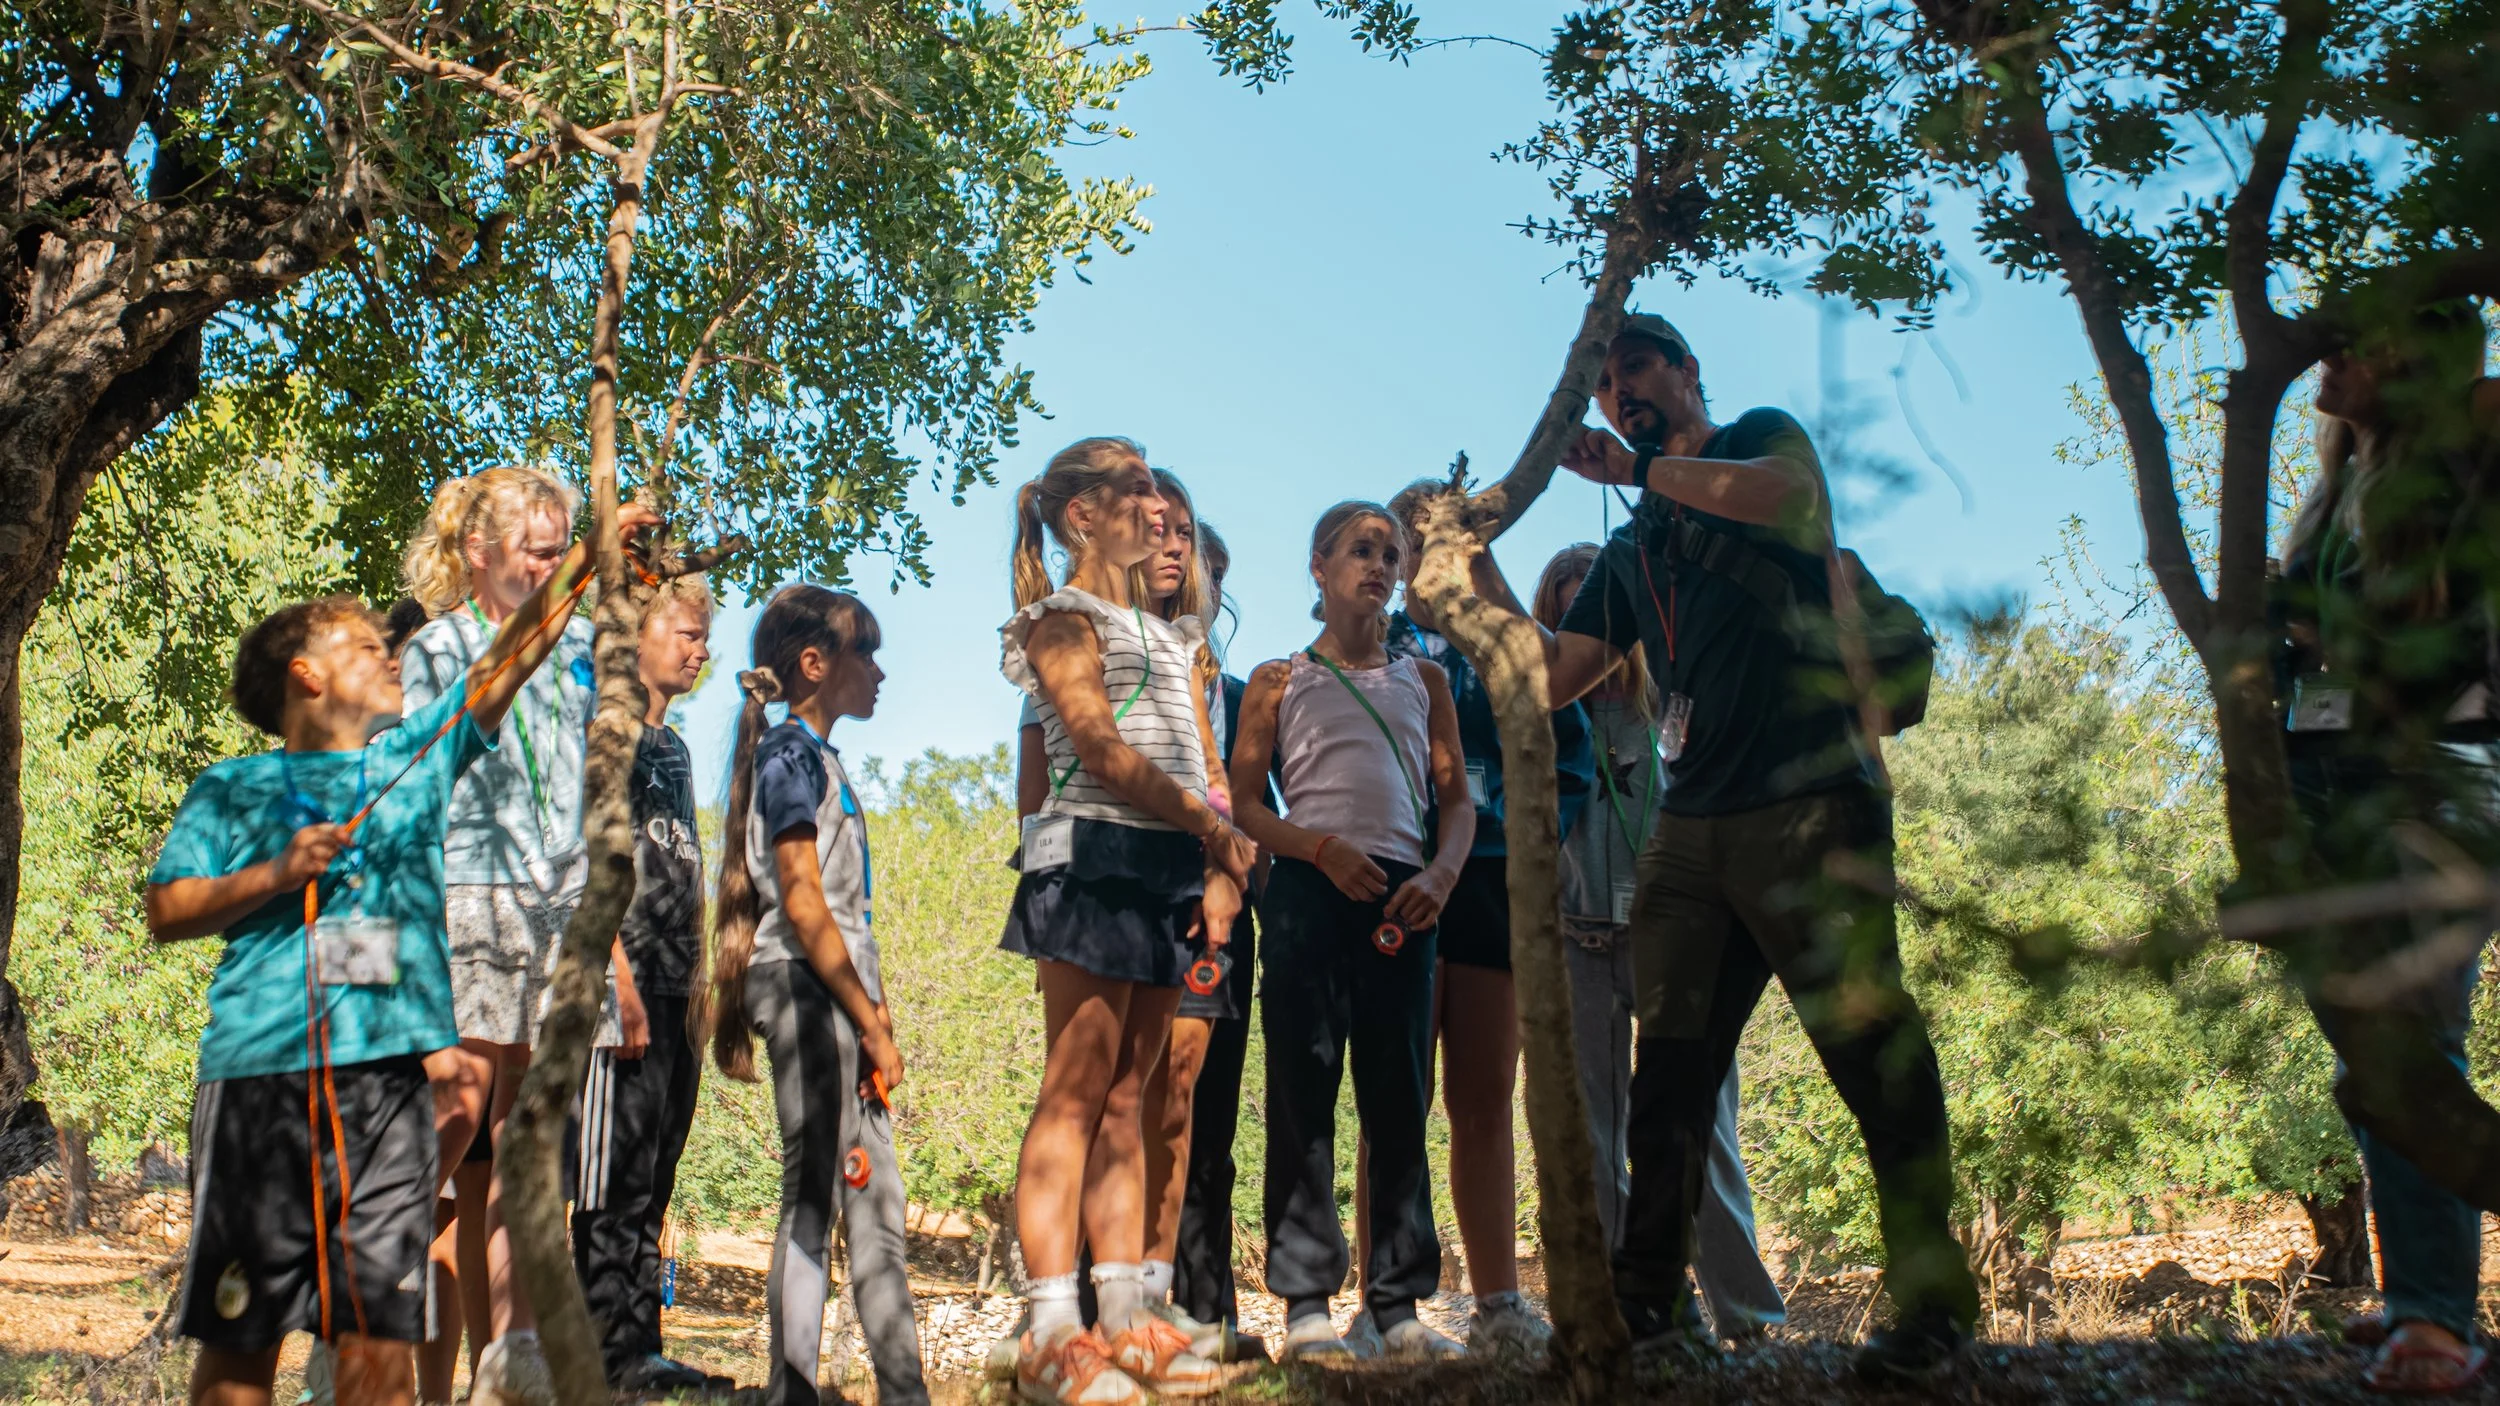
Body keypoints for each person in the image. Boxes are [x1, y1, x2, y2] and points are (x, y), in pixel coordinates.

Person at [1509, 312, 1978, 1382]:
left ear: (1683, 368)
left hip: (1810, 802)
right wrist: (1467, 574)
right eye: (1602, 378)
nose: (1619, 385)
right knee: (1665, 1078)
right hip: (1692, 830)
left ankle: (1934, 1303)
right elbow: (1548, 674)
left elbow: (1787, 500)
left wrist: (1643, 465)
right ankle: (1645, 1307)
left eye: (1635, 364)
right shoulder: (1631, 547)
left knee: (1870, 1055)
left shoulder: (1758, 438)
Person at [147, 507, 637, 1406]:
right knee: (241, 1331)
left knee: (376, 1333)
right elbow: (167, 908)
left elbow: (506, 661)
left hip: (389, 1089)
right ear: (306, 675)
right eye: (362, 643)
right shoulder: (231, 788)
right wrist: (275, 871)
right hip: (263, 1082)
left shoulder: (413, 761)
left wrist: (587, 559)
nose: (387, 649)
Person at [2275, 306, 2500, 1396]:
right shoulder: (2331, 491)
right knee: (2370, 1047)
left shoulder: (2466, 447)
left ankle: (2440, 1323)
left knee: (2415, 1039)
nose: (2324, 352)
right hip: (2324, 777)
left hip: (2439, 773)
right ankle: (2417, 1295)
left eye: (2350, 339)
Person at [998, 438, 1252, 1404]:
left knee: (1131, 1097)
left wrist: (1216, 852)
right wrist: (1210, 829)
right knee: (1076, 1083)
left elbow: (1209, 771)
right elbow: (1098, 750)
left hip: (1169, 872)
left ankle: (1125, 1317)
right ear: (1083, 517)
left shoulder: (1182, 642)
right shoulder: (1059, 622)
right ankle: (1052, 1328)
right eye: (1139, 488)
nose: (1159, 504)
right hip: (1092, 860)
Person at [1229, 501, 1475, 1362]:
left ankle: (1399, 1308)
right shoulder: (1277, 678)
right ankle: (1304, 1309)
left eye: (1391, 554)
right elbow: (1249, 803)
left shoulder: (1425, 681)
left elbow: (1456, 802)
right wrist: (1319, 850)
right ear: (1319, 565)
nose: (1379, 565)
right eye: (1360, 550)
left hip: (1404, 898)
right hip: (1307, 885)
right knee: (1303, 1090)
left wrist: (1440, 877)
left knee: (1400, 1093)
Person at [1361, 481, 1594, 1357]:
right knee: (1397, 1097)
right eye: (1409, 538)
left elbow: (1566, 756)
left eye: (1443, 535)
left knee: (1485, 1098)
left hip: (1496, 880)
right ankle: (1388, 1306)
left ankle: (1499, 1304)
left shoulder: (1506, 637)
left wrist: (1539, 840)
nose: (1424, 553)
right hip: (1397, 878)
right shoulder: (1373, 640)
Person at [1532, 543, 1785, 1343]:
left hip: (1673, 941)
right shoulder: (1539, 722)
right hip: (1577, 943)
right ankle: (1631, 1317)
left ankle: (1749, 1320)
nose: (1602, 652)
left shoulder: (1674, 703)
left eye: (1611, 625)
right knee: (1595, 1141)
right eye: (1576, 618)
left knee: (1702, 1130)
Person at [397, 466, 603, 1403]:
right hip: (470, 897)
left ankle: (514, 1360)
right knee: (454, 1118)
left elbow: (593, 788)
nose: (555, 564)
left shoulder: (590, 649)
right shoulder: (441, 646)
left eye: (565, 548)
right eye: (536, 549)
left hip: (559, 908)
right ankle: (356, 1315)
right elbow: (429, 770)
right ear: (476, 551)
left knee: (530, 1147)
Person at [708, 585, 927, 1406]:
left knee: (876, 1202)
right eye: (864, 653)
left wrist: (874, 1008)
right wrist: (869, 1020)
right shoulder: (789, 755)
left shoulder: (819, 760)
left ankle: (905, 1391)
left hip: (839, 1000)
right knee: (814, 1198)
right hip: (803, 993)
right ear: (814, 664)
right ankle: (792, 1388)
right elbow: (801, 902)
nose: (878, 671)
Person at [566, 576, 721, 1393]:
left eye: (704, 639)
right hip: (618, 986)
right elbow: (593, 868)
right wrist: (615, 980)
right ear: (637, 636)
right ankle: (604, 1360)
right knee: (612, 1183)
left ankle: (644, 1353)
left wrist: (702, 982)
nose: (700, 652)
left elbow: (683, 866)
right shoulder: (609, 733)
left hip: (679, 986)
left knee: (656, 1178)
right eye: (686, 634)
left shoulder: (678, 748)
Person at [1168, 521, 1270, 1355]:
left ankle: (1209, 1311)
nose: (1209, 588)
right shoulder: (1113, 669)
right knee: (1126, 1109)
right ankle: (1094, 1308)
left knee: (1212, 1126)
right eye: (1202, 568)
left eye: (1221, 575)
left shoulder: (1238, 695)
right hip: (1133, 913)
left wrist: (1243, 870)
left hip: (1228, 929)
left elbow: (1258, 815)